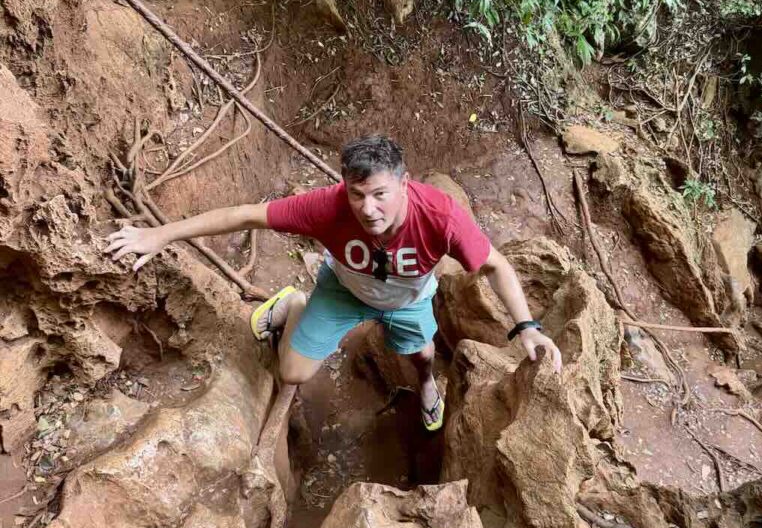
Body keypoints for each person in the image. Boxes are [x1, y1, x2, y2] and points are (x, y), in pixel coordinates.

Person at [106, 135, 562, 430]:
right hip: (342, 290)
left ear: (405, 184)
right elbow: (246, 214)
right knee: (292, 374)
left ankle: (426, 388)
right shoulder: (329, 206)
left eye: (381, 194)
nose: (368, 209)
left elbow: (496, 266)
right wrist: (158, 234)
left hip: (407, 299)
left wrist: (526, 328)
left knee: (423, 356)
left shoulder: (439, 216)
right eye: (358, 195)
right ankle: (294, 306)